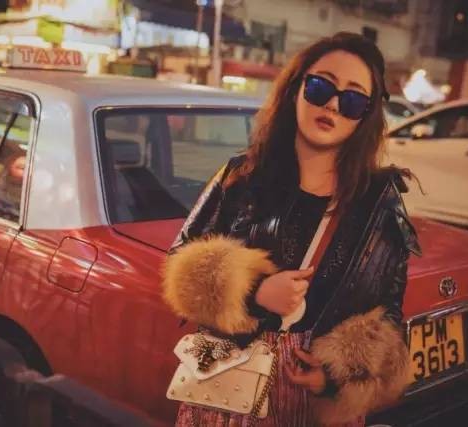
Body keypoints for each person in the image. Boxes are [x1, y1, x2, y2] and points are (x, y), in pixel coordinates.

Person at [162, 32, 422, 427]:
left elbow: (388, 314)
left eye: (353, 100)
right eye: (321, 87)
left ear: (365, 116)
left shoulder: (377, 205)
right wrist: (253, 291)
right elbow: (182, 260)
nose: (332, 105)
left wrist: (334, 377)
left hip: (313, 402)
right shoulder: (243, 176)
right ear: (296, 88)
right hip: (229, 388)